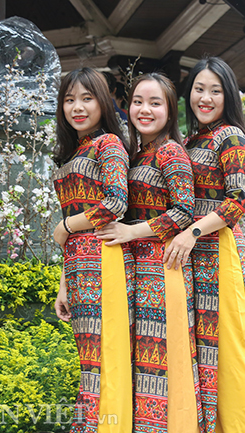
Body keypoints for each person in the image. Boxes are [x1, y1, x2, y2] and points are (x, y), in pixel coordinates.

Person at [95, 72, 202, 433]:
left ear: (170, 111)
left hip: (163, 268)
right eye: (138, 101)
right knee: (143, 364)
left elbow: (183, 211)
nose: (145, 109)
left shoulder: (170, 151)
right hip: (138, 270)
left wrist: (131, 232)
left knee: (165, 362)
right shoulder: (137, 152)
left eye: (155, 103)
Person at [164, 56, 245, 432]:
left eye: (215, 91)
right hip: (191, 257)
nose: (204, 98)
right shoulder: (190, 141)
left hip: (219, 252)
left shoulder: (232, 137)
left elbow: (238, 201)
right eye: (198, 89)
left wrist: (192, 233)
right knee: (202, 352)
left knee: (231, 350)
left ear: (229, 96)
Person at [52, 67, 137, 432]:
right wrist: (63, 283)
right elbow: (68, 224)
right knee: (89, 356)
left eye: (87, 98)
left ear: (102, 102)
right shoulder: (71, 152)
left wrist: (67, 226)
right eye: (69, 100)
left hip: (105, 259)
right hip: (77, 267)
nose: (77, 107)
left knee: (104, 354)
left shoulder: (108, 145)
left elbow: (116, 203)